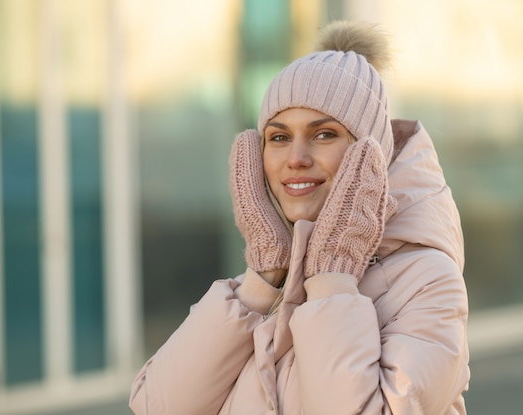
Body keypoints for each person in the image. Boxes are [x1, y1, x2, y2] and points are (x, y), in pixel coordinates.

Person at [129, 20, 470, 415]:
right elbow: (158, 408)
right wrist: (260, 281)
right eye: (279, 137)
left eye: (324, 134)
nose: (296, 158)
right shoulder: (280, 270)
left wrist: (333, 274)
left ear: (369, 156)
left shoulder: (429, 282)